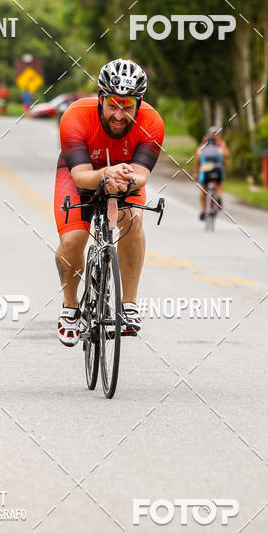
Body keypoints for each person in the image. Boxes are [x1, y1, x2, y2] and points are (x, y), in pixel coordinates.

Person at [54, 58, 165, 346]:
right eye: (113, 105)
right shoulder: (75, 116)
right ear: (100, 99)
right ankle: (69, 307)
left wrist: (125, 179)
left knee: (133, 220)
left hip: (125, 175)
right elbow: (79, 176)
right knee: (73, 240)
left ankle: (128, 305)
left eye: (128, 107)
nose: (119, 115)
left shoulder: (152, 123)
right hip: (80, 173)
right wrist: (104, 174)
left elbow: (141, 176)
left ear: (138, 104)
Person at [196, 127, 229, 220]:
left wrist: (196, 172)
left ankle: (203, 210)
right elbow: (225, 157)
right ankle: (218, 197)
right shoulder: (221, 146)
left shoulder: (202, 147)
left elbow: (198, 161)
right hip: (218, 169)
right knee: (218, 185)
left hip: (205, 170)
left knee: (203, 190)